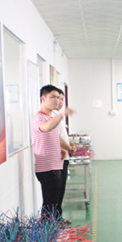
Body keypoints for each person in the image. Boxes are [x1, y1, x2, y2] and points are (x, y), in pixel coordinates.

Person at [32, 85, 73, 220]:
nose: (56, 100)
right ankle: (46, 232)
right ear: (43, 98)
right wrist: (62, 114)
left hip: (55, 164)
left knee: (55, 200)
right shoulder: (39, 118)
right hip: (46, 167)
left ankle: (53, 227)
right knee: (49, 203)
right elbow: (46, 128)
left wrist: (63, 149)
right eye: (53, 97)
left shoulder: (50, 117)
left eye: (58, 97)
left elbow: (56, 137)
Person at [54, 89, 74, 223]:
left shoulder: (57, 115)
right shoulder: (52, 116)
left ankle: (58, 217)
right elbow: (56, 137)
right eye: (56, 98)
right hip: (58, 158)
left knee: (60, 190)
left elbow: (63, 135)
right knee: (56, 191)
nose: (60, 101)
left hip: (63, 157)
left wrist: (70, 143)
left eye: (62, 98)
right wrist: (70, 148)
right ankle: (54, 219)